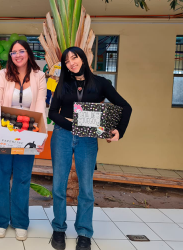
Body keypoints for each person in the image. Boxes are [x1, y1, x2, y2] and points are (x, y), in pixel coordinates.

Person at [48, 47, 132, 250]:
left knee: (86, 188)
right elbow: (52, 113)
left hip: (88, 140)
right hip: (62, 136)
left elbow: (125, 107)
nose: (71, 63)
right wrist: (73, 126)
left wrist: (119, 130)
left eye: (74, 58)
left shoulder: (101, 83)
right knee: (59, 186)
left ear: (83, 59)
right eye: (67, 61)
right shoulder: (63, 84)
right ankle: (59, 229)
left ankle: (84, 232)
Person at [0, 40, 47, 241]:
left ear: (28, 53)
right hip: (4, 134)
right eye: (13, 52)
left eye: (21, 51)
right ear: (10, 56)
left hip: (28, 136)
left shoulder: (39, 76)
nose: (18, 55)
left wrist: (41, 136)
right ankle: (0, 220)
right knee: (2, 178)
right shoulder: (3, 75)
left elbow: (40, 107)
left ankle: (20, 222)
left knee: (22, 178)